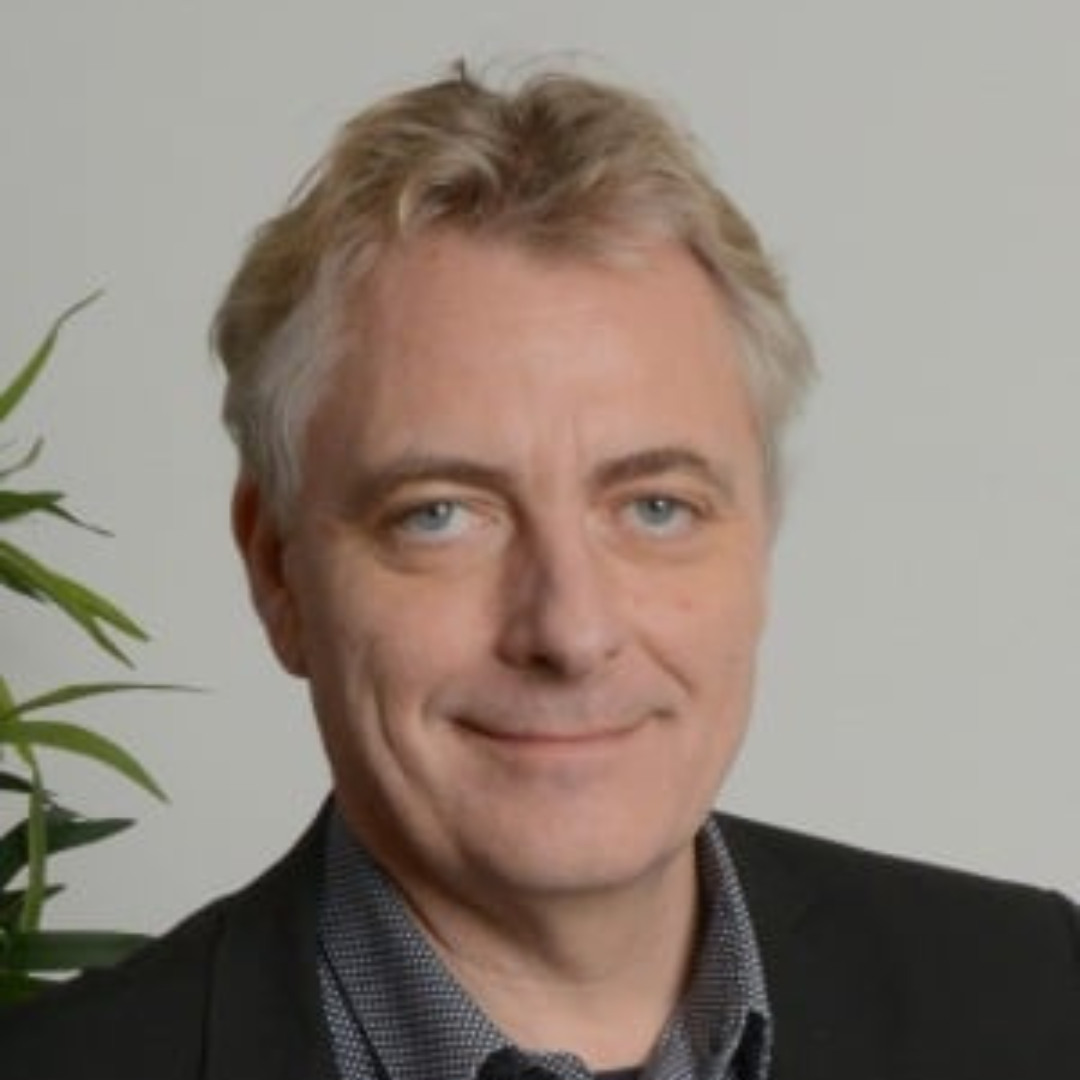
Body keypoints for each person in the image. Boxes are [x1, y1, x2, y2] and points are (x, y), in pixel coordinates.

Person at [2, 62, 1076, 1080]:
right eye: (440, 515)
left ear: (761, 540)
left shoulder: (1038, 998)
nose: (570, 629)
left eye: (656, 507)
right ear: (277, 569)